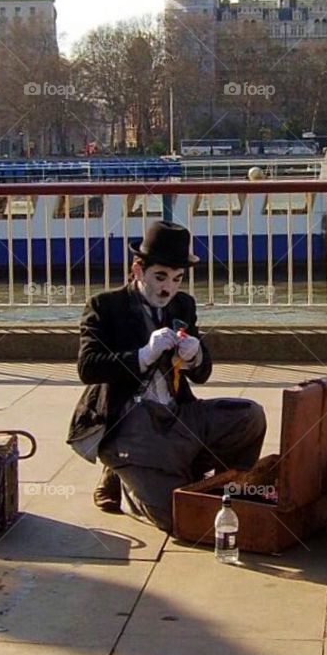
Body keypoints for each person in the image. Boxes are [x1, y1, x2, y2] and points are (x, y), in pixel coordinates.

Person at [67, 221, 266, 533]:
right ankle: (126, 473)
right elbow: (88, 367)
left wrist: (195, 356)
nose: (167, 288)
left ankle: (205, 481)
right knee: (178, 518)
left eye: (177, 279)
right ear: (137, 269)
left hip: (177, 415)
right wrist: (143, 354)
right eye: (160, 277)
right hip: (130, 422)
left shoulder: (183, 304)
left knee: (250, 416)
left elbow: (203, 373)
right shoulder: (105, 306)